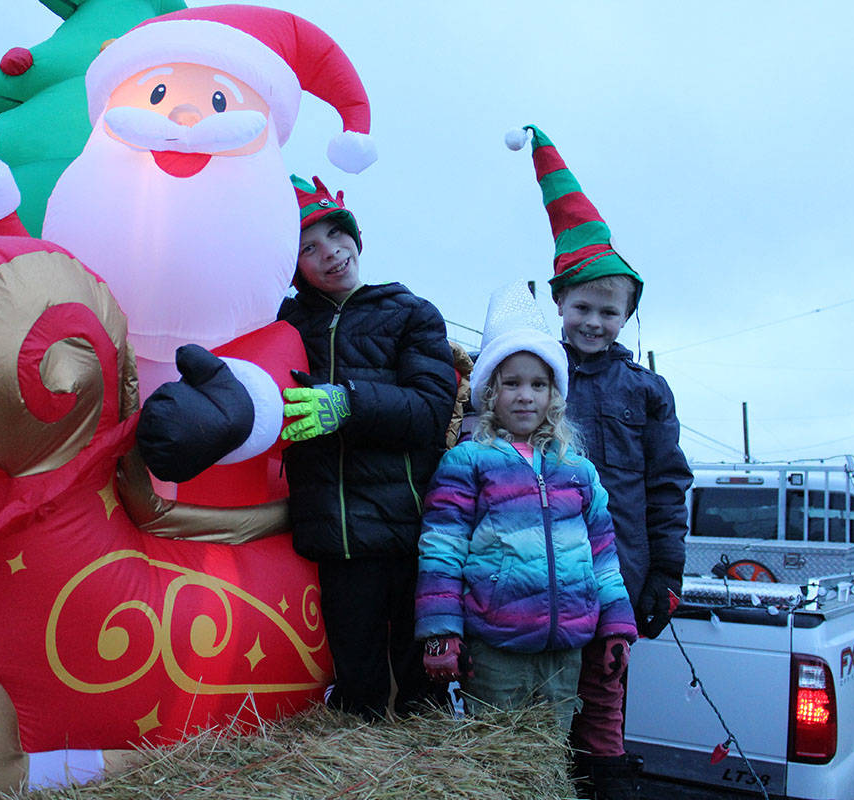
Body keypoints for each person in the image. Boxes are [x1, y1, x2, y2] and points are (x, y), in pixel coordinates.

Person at [509, 124, 693, 799]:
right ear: (558, 302)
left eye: (609, 312)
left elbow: (667, 486)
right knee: (536, 705)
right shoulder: (532, 379)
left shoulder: (646, 391)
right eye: (583, 306)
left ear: (627, 316)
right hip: (536, 574)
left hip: (620, 577)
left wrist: (666, 572)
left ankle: (600, 782)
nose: (594, 321)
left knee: (603, 704)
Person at [414, 281, 638, 748]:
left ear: (554, 394)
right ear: (490, 392)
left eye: (538, 384)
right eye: (511, 383)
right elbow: (441, 552)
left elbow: (603, 557)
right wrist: (440, 632)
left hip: (567, 651)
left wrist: (616, 627)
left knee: (548, 757)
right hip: (497, 649)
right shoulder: (467, 462)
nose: (525, 396)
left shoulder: (578, 470)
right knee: (496, 757)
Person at [277, 175, 457, 721]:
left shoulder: (411, 313)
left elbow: (430, 411)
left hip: (406, 530)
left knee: (420, 688)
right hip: (334, 537)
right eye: (309, 247)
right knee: (357, 687)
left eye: (336, 234)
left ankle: (428, 755)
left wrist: (348, 403)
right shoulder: (286, 323)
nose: (330, 252)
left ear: (356, 237)